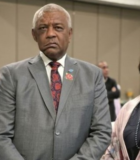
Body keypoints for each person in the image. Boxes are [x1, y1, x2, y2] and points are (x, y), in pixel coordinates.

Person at [0, 3, 111, 160]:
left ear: (70, 34)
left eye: (58, 27)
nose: (50, 34)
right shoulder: (11, 75)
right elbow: (2, 135)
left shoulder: (92, 75)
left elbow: (102, 132)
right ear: (34, 34)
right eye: (43, 28)